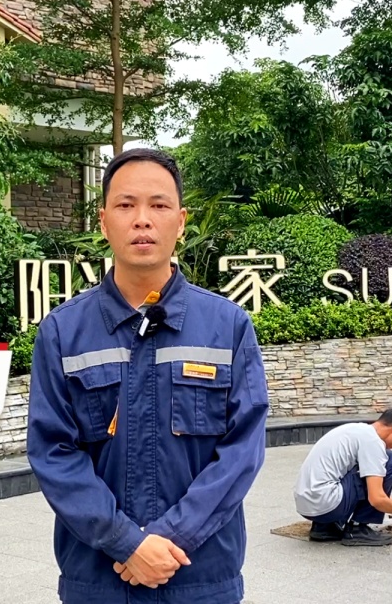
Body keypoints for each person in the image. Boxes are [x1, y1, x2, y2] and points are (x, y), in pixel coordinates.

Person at [26, 147, 270, 604]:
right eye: (125, 205)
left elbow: (242, 452)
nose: (142, 220)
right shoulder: (62, 332)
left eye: (158, 205)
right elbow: (53, 452)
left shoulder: (228, 327)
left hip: (199, 577)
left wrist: (170, 539)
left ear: (180, 221)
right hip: (99, 580)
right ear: (103, 222)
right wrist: (126, 542)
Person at [292, 409, 392, 546]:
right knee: (390, 460)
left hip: (308, 505)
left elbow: (377, 491)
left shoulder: (356, 430)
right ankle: (358, 529)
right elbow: (377, 498)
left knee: (360, 469)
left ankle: (324, 527)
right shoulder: (373, 442)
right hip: (327, 506)